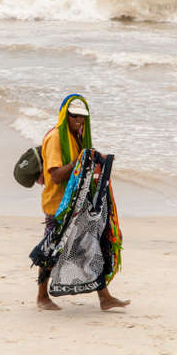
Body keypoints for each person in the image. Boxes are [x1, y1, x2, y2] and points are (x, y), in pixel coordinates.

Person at [37, 94, 131, 311]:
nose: (79, 121)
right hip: (58, 206)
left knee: (91, 246)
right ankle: (41, 297)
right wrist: (79, 161)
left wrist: (100, 159)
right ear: (65, 115)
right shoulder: (55, 139)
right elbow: (56, 176)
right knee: (51, 249)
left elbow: (85, 161)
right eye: (74, 117)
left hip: (77, 205)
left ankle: (104, 297)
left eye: (82, 118)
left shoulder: (77, 136)